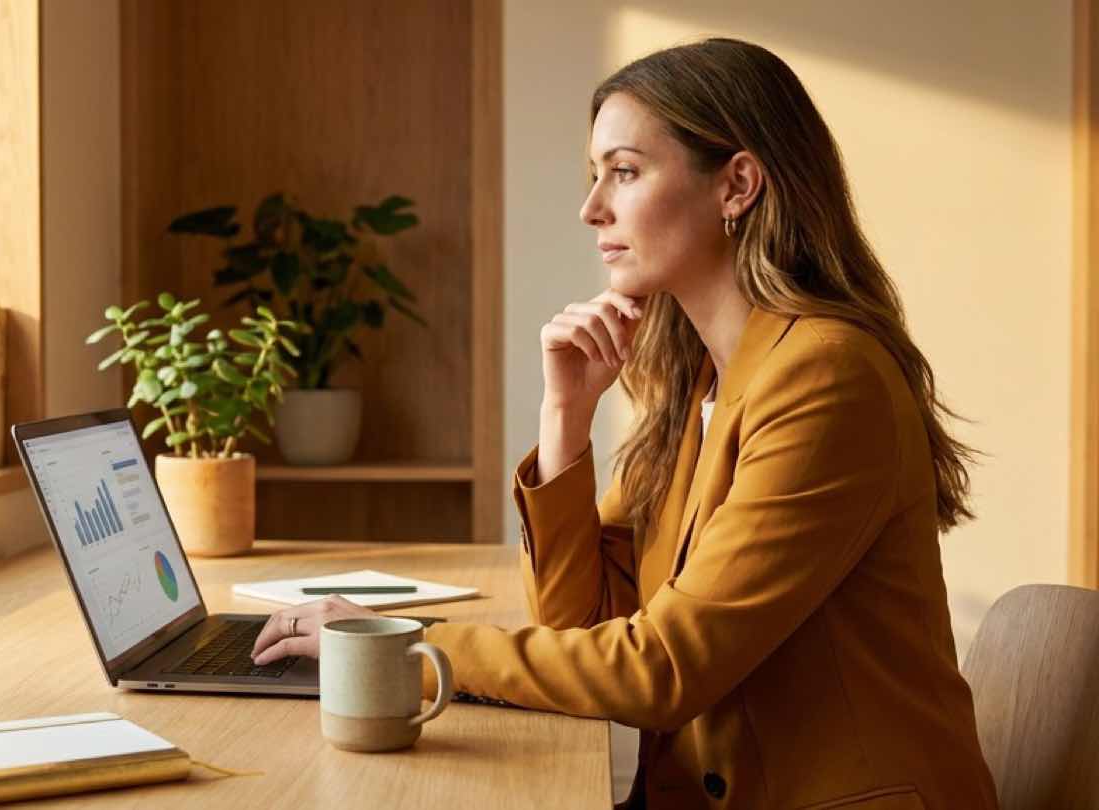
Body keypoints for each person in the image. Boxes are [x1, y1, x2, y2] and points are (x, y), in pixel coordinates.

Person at [251, 37, 998, 808]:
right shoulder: (702, 379)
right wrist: (565, 417)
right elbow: (580, 622)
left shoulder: (825, 378)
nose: (592, 208)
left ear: (737, 185)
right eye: (595, 174)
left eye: (626, 171)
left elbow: (661, 668)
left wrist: (402, 649)